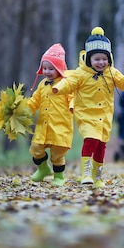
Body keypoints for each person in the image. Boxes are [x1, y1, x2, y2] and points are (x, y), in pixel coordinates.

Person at [52, 26, 124, 187]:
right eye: (97, 59)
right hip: (87, 115)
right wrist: (58, 88)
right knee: (90, 140)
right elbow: (69, 82)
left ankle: (98, 176)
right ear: (89, 59)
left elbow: (122, 82)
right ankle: (86, 173)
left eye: (104, 59)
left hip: (105, 116)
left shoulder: (111, 72)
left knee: (101, 145)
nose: (101, 62)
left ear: (109, 59)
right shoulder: (81, 74)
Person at [26, 43, 74, 186]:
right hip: (43, 126)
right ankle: (43, 169)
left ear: (59, 68)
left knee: (57, 154)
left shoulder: (65, 83)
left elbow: (73, 97)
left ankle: (59, 176)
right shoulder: (42, 84)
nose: (47, 71)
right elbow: (34, 101)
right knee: (36, 148)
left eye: (51, 68)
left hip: (60, 126)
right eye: (45, 68)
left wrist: (72, 106)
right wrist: (24, 111)